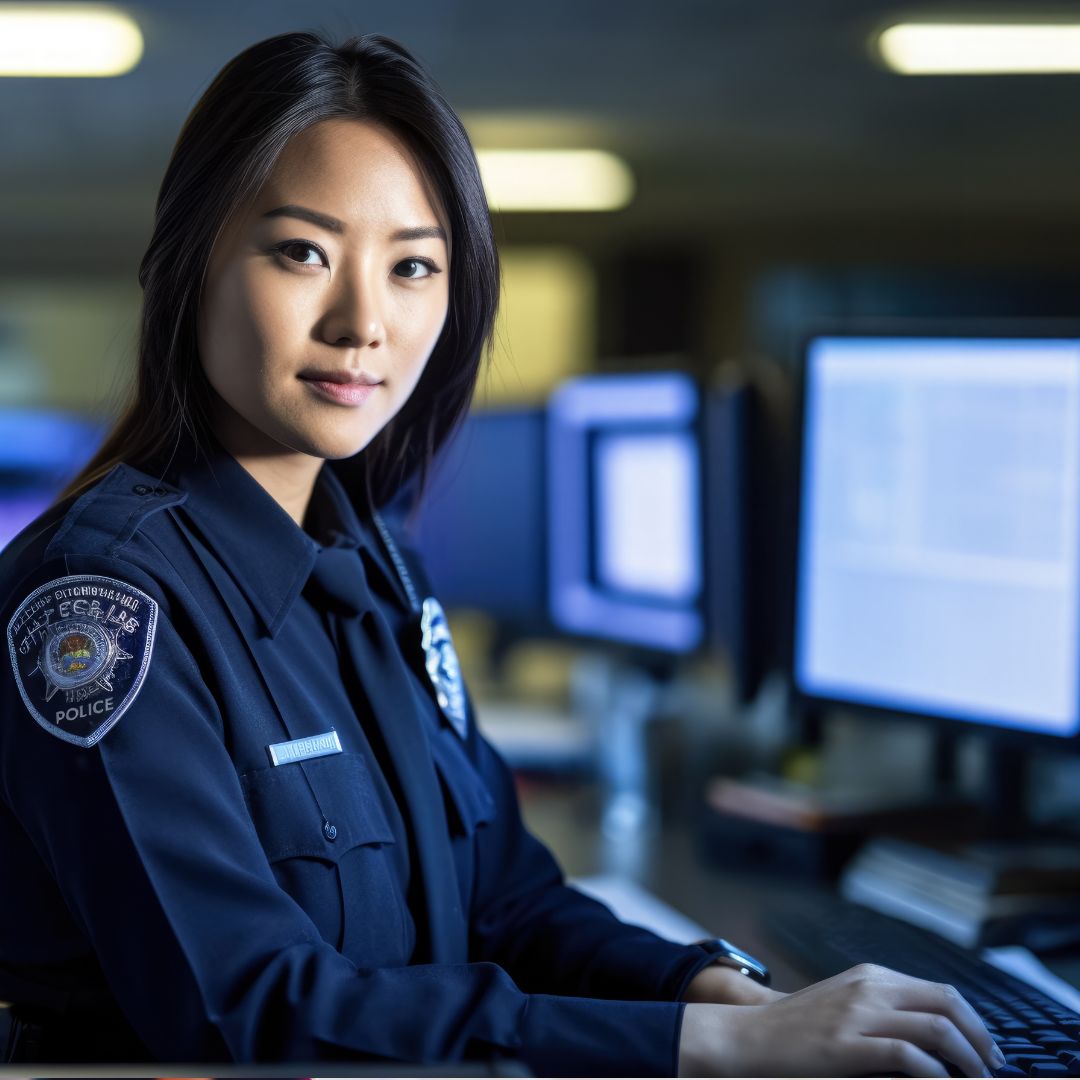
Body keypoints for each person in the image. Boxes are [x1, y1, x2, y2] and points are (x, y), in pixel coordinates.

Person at [0, 30, 1004, 1077]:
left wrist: (726, 996)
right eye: (301, 251)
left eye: (414, 267)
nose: (363, 323)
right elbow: (248, 1009)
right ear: (189, 261)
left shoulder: (375, 567)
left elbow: (506, 899)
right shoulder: (101, 609)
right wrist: (712, 1049)